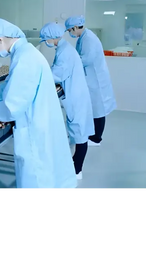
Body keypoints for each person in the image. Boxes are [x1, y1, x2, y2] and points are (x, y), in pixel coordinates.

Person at [0, 18, 77, 191]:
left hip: (35, 129)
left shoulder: (25, 59)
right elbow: (8, 86)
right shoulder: (24, 52)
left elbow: (11, 108)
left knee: (37, 178)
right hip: (43, 122)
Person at [40, 22, 95, 180]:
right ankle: (75, 165)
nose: (46, 43)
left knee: (79, 134)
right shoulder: (65, 48)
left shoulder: (64, 52)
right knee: (79, 131)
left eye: (46, 40)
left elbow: (56, 74)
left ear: (52, 38)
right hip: (76, 94)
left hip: (75, 97)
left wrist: (40, 75)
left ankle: (77, 170)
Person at [65, 15, 117, 146]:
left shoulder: (88, 39)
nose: (70, 33)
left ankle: (96, 139)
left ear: (76, 27)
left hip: (96, 80)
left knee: (98, 109)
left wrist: (69, 66)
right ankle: (93, 135)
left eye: (70, 30)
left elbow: (86, 59)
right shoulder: (84, 37)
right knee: (95, 109)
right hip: (92, 77)